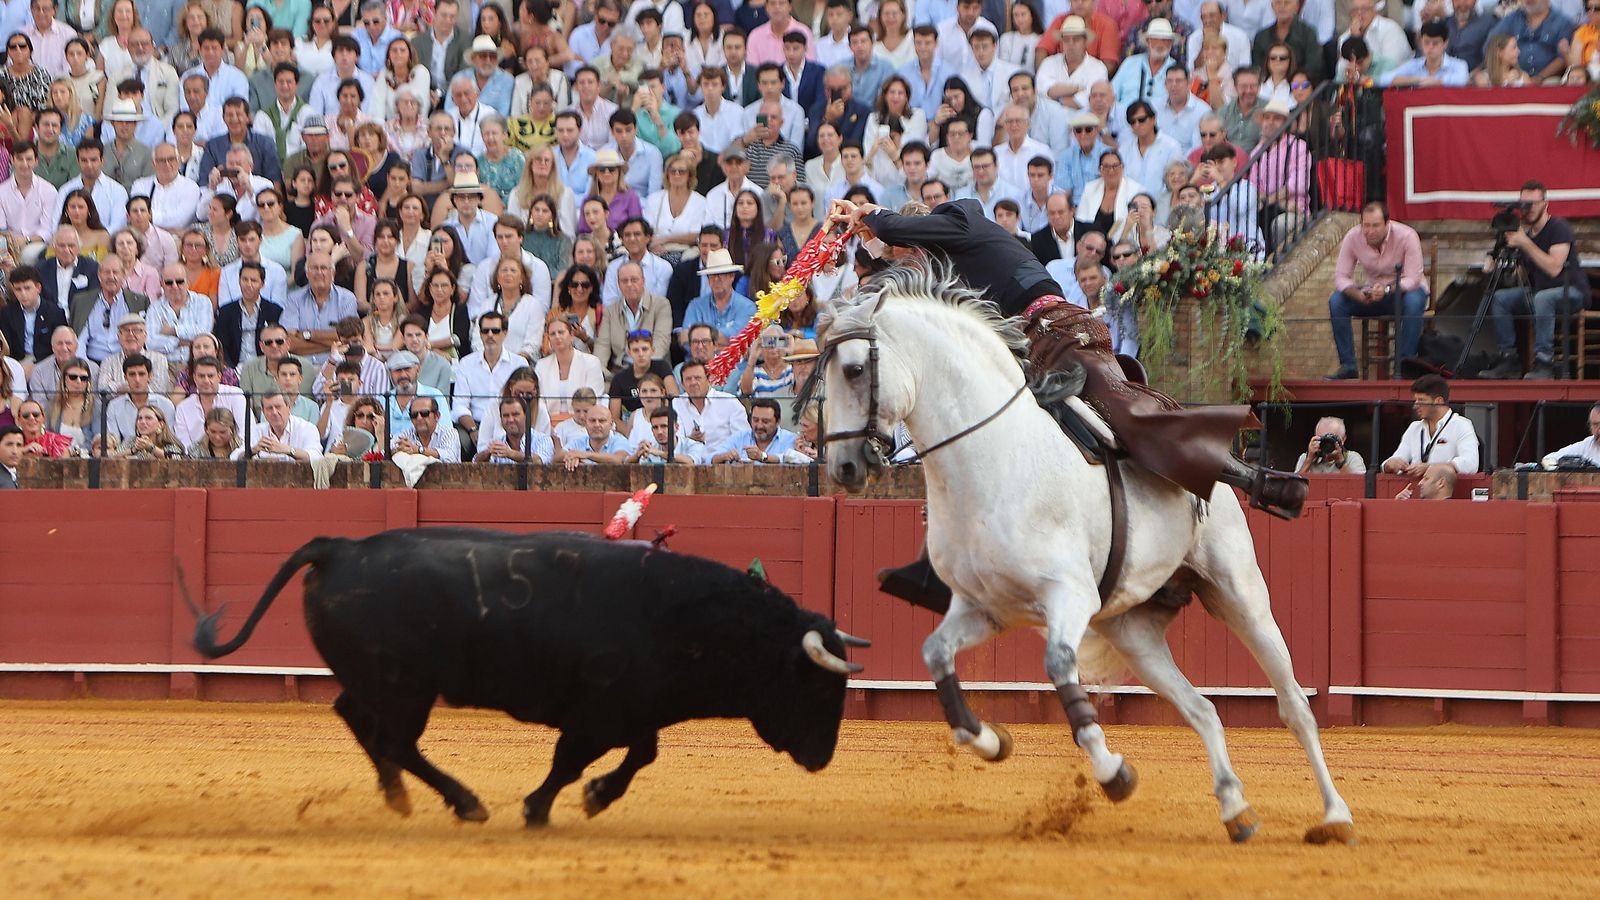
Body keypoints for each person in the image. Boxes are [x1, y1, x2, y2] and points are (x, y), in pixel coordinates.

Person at [829, 195, 1309, 608]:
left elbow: (898, 227)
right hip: (1023, 355)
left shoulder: (959, 219)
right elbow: (893, 275)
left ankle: (1252, 479)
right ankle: (953, 565)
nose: (907, 262)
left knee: (1125, 413)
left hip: (1062, 330)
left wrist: (868, 214)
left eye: (908, 252)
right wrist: (858, 241)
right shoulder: (948, 276)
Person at [1481, 181, 1591, 381]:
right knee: (1501, 299)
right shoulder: (1525, 235)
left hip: (1571, 292)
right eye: (1523, 204)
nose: (1528, 209)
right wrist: (1501, 260)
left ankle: (1544, 362)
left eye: (1533, 203)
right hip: (1539, 293)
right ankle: (1508, 358)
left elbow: (1554, 268)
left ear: (1545, 204)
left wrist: (1525, 243)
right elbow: (1522, 278)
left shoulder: (1558, 227)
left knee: (1542, 298)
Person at [1323, 202, 1428, 381]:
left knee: (1414, 300)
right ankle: (1348, 366)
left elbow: (1413, 279)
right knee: (1336, 301)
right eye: (1366, 225)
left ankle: (1405, 366)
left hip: (1401, 293)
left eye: (1376, 225)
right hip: (1372, 294)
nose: (1370, 231)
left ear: (1388, 223)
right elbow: (1341, 277)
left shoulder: (1407, 235)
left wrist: (1387, 290)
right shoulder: (1353, 237)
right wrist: (1357, 294)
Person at [1381, 374, 1480, 478]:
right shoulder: (1414, 427)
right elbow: (1397, 458)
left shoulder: (1462, 425)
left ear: (1439, 401)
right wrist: (1390, 464)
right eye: (1415, 400)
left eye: (1421, 400)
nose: (1416, 405)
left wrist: (1429, 468)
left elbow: (1471, 464)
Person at [709, 397, 796, 463]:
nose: (759, 426)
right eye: (755, 420)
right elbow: (709, 458)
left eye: (765, 421)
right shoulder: (739, 437)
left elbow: (796, 459)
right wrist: (723, 456)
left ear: (778, 421)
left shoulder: (790, 439)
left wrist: (763, 456)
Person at [249, 389, 322, 460]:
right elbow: (238, 455)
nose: (274, 412)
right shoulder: (257, 430)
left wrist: (288, 450)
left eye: (278, 407)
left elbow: (316, 457)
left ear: (289, 408)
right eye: (269, 408)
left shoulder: (307, 428)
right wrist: (252, 451)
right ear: (263, 412)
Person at [1294, 416, 1367, 474]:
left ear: (1343, 439)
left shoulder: (1352, 458)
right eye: (1322, 439)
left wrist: (1340, 462)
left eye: (1331, 439)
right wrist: (1309, 460)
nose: (1326, 443)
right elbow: (1295, 488)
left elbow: (1358, 488)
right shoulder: (1305, 458)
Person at [1542, 402, 1600, 468]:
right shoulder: (1586, 446)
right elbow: (1548, 459)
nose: (1599, 430)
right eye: (1595, 424)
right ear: (1590, 427)